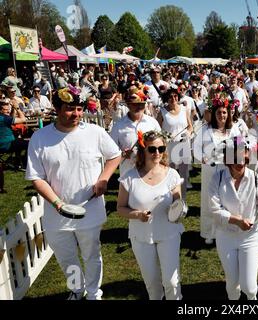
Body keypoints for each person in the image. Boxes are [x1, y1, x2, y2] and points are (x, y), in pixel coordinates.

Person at [25, 86, 122, 300]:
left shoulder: (94, 132)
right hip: (56, 213)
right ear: (57, 108)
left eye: (79, 108)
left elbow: (115, 155)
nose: (77, 114)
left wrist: (104, 178)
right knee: (66, 257)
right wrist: (58, 203)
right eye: (70, 109)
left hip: (90, 209)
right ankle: (77, 290)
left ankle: (94, 293)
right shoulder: (40, 138)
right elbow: (36, 177)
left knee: (91, 254)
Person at [117, 130, 184, 300]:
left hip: (168, 233)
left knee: (172, 282)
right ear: (143, 150)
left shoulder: (172, 175)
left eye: (161, 149)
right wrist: (137, 214)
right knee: (152, 284)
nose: (157, 153)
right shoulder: (129, 178)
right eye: (152, 149)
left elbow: (178, 203)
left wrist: (179, 210)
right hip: (141, 236)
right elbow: (120, 208)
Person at [208, 136, 258, 300]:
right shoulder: (217, 178)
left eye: (244, 156)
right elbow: (214, 209)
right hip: (225, 236)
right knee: (232, 284)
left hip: (250, 237)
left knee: (250, 288)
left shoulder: (257, 179)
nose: (241, 161)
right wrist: (237, 221)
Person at [193, 97, 240, 245]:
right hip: (210, 168)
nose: (222, 115)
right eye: (219, 112)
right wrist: (203, 159)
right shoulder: (205, 129)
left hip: (228, 169)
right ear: (214, 114)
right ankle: (208, 232)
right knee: (209, 199)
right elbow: (195, 148)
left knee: (227, 199)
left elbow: (240, 146)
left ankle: (227, 229)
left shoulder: (233, 130)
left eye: (225, 112)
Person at [110, 91, 161, 178]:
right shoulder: (118, 125)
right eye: (135, 104)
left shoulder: (152, 122)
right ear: (128, 105)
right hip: (128, 171)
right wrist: (122, 154)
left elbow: (161, 143)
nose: (138, 107)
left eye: (141, 104)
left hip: (149, 171)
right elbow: (111, 150)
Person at [157, 86, 192, 197]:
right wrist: (165, 136)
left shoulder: (183, 109)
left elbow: (190, 127)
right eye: (170, 96)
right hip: (169, 146)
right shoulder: (162, 111)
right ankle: (170, 199)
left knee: (183, 174)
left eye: (175, 96)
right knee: (170, 174)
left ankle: (183, 200)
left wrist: (188, 133)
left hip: (183, 144)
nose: (173, 98)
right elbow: (157, 130)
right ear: (166, 98)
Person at [0, 99, 27, 193]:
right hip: (7, 144)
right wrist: (17, 108)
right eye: (6, 109)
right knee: (30, 143)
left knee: (19, 141)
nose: (7, 110)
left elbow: (10, 119)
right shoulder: (3, 118)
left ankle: (18, 161)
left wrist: (12, 111)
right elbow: (23, 119)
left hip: (5, 143)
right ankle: (26, 164)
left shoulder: (4, 118)